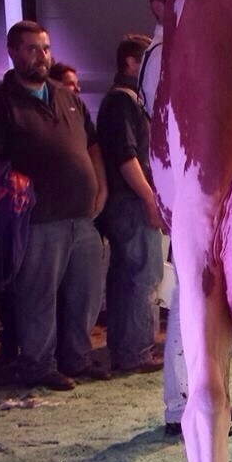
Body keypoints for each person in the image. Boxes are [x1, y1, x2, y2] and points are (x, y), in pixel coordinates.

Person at [0, 20, 108, 389]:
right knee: (38, 297)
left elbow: (92, 144)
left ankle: (77, 358)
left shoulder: (67, 97)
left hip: (82, 216)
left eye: (46, 48)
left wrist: (100, 187)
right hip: (38, 219)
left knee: (84, 295)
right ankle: (38, 365)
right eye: (32, 49)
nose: (42, 56)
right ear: (13, 52)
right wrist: (4, 191)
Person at [138, 0, 193, 435]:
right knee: (188, 300)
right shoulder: (160, 57)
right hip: (182, 196)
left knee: (199, 300)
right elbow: (170, 129)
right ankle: (181, 405)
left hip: (192, 195)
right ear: (159, 7)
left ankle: (203, 398)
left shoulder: (180, 52)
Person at [97, 35, 164, 373]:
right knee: (141, 274)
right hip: (131, 202)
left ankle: (127, 348)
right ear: (131, 63)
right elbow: (127, 156)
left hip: (128, 201)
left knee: (129, 274)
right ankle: (136, 350)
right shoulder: (123, 102)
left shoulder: (125, 100)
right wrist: (149, 198)